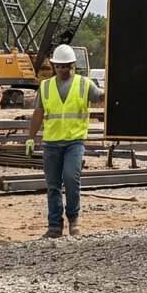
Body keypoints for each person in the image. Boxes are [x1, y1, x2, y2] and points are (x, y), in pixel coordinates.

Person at [25, 44, 103, 239]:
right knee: (52, 186)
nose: (63, 69)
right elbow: (38, 113)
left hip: (74, 142)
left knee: (71, 179)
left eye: (66, 66)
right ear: (54, 66)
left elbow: (101, 97)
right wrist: (30, 138)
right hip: (51, 142)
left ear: (73, 65)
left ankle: (73, 219)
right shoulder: (45, 86)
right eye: (59, 66)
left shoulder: (84, 84)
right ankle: (54, 226)